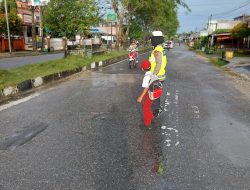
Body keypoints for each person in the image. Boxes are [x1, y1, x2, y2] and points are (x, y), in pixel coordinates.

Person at [149, 31, 167, 118]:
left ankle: (156, 112)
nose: (151, 40)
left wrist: (153, 75)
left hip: (157, 76)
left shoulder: (157, 50)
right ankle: (157, 110)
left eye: (152, 38)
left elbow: (159, 63)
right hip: (160, 75)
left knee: (154, 95)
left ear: (155, 39)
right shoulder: (161, 49)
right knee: (157, 94)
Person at [137, 60, 154, 129]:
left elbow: (146, 88)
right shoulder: (152, 73)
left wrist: (140, 97)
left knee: (145, 107)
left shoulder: (146, 77)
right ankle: (151, 118)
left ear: (142, 69)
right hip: (155, 92)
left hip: (151, 93)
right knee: (147, 105)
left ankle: (148, 125)